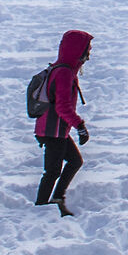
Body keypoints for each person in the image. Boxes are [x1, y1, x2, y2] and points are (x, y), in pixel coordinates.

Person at [34, 29, 92, 214]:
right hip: (53, 130)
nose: (88, 56)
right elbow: (62, 107)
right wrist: (80, 126)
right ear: (77, 51)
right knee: (52, 171)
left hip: (55, 129)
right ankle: (41, 206)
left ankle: (57, 198)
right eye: (87, 51)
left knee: (74, 161)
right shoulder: (64, 73)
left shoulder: (62, 69)